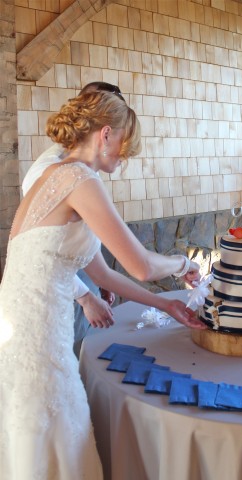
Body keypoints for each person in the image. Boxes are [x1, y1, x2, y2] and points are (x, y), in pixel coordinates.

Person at [0, 88, 205, 479]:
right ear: (106, 133)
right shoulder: (80, 178)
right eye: (124, 148)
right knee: (55, 425)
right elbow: (141, 265)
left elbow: (104, 275)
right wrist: (182, 263)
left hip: (25, 321)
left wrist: (166, 305)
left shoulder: (54, 175)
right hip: (39, 332)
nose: (124, 160)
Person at [21, 82, 122, 353]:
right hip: (59, 289)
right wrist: (86, 297)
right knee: (72, 355)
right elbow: (40, 256)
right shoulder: (47, 171)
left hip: (81, 276)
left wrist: (100, 281)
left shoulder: (86, 164)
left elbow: (78, 233)